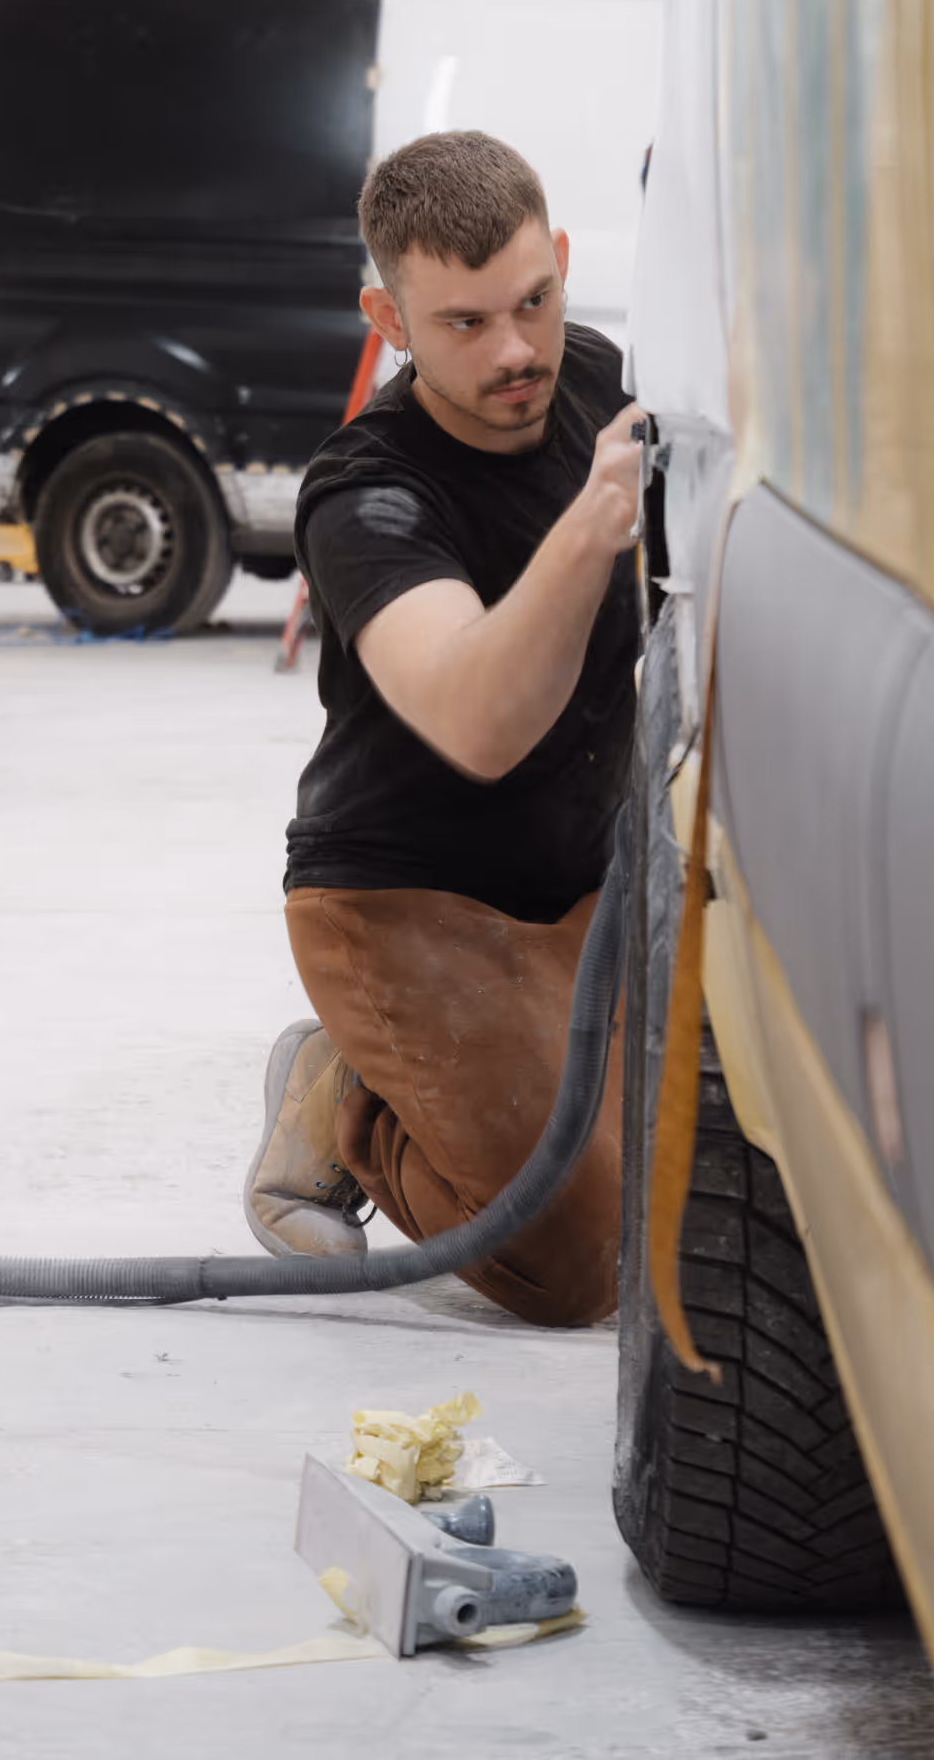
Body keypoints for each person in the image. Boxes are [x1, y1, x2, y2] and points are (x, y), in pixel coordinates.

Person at [240, 129, 643, 1327]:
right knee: (571, 1266)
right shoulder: (367, 493)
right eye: (465, 323)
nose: (517, 352)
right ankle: (346, 1095)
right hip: (408, 906)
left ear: (563, 259)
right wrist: (593, 523)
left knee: (718, 1174)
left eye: (535, 301)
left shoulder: (595, 378)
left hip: (584, 883)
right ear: (390, 316)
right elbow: (479, 722)